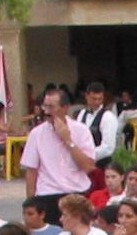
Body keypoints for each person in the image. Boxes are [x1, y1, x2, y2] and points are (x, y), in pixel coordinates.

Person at [21, 86, 98, 219]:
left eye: (51, 107)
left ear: (65, 107)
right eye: (44, 106)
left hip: (76, 192)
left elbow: (88, 166)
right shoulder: (36, 134)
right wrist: (30, 203)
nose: (46, 111)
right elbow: (31, 171)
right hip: (48, 194)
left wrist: (67, 140)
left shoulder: (81, 130)